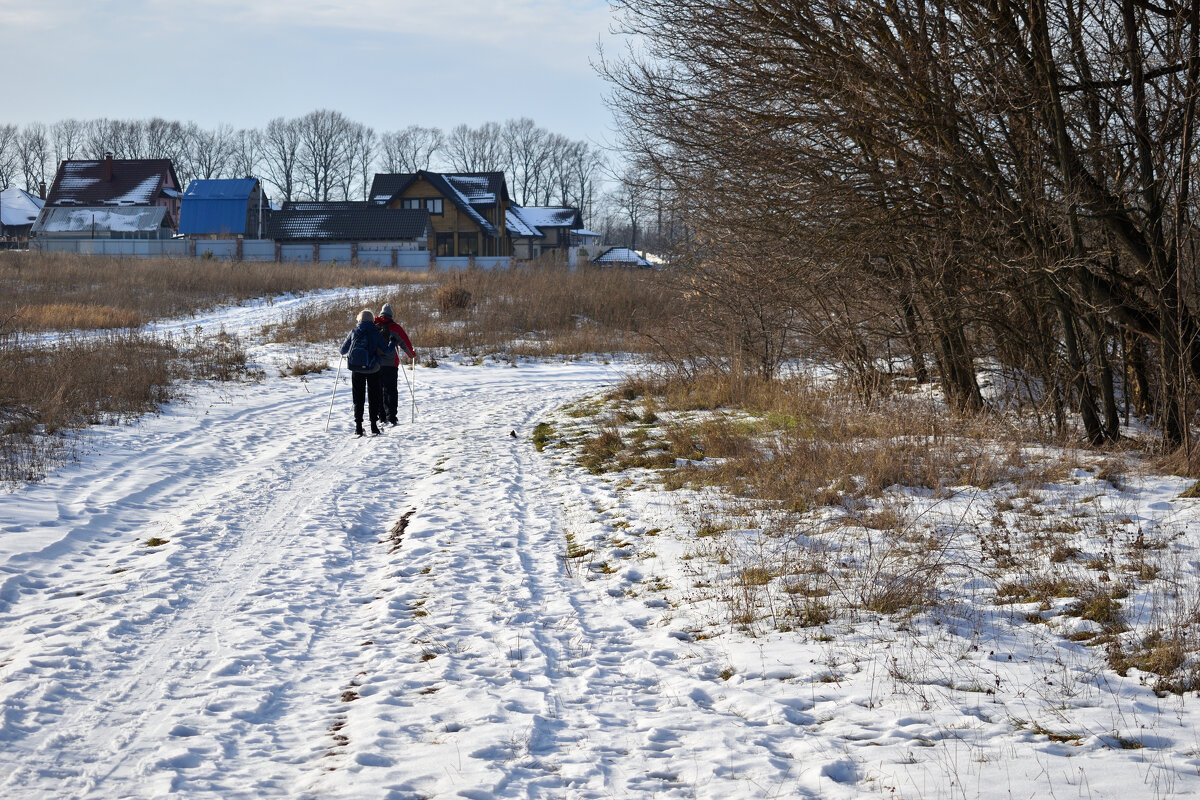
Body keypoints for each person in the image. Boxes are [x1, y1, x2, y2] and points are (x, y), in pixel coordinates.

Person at [340, 309, 392, 437]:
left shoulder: (354, 332)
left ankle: (358, 427)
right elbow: (387, 351)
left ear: (360, 319)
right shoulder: (376, 332)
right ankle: (374, 426)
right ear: (372, 320)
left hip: (356, 368)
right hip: (373, 368)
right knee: (374, 397)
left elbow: (343, 351)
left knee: (358, 398)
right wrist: (393, 341)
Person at [373, 303, 417, 426]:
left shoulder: (374, 326)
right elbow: (405, 343)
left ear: (381, 314)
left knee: (378, 390)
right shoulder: (395, 328)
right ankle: (391, 416)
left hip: (375, 364)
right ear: (391, 315)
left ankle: (381, 416)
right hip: (391, 364)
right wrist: (411, 355)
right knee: (390, 390)